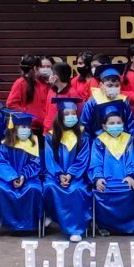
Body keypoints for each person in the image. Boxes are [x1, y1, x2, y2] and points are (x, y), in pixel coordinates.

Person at [42, 97, 92, 242]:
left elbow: (83, 159)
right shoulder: (51, 136)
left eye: (73, 114)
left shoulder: (82, 135)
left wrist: (70, 174)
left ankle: (75, 229)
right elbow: (49, 159)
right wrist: (59, 175)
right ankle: (52, 216)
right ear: (60, 116)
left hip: (76, 176)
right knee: (49, 187)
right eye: (67, 114)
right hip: (55, 175)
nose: (71, 117)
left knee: (78, 190)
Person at [89, 100, 134, 236]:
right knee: (101, 191)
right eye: (111, 123)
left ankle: (128, 227)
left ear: (123, 124)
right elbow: (96, 162)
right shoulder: (99, 141)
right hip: (106, 179)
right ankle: (103, 226)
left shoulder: (127, 139)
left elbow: (131, 159)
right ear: (104, 126)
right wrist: (98, 177)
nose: (115, 126)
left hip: (124, 179)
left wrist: (131, 175)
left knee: (130, 190)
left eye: (119, 123)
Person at [0, 112, 45, 234]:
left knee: (33, 189)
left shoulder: (33, 144)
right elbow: (2, 163)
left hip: (29, 178)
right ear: (14, 129)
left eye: (28, 127)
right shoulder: (4, 145)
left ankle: (29, 224)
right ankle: (6, 221)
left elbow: (36, 163)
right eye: (22, 127)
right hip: (8, 179)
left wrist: (23, 176)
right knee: (0, 189)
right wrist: (13, 177)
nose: (26, 130)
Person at [79, 64, 134, 136]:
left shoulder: (124, 101)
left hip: (121, 142)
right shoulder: (92, 102)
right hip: (98, 143)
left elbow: (130, 124)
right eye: (109, 85)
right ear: (101, 85)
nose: (113, 88)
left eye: (117, 85)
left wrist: (130, 142)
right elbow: (85, 126)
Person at [7, 55, 52, 132]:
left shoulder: (42, 83)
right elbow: (11, 104)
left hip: (43, 127)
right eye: (41, 67)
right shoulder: (20, 83)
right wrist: (28, 115)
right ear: (35, 68)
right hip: (28, 127)